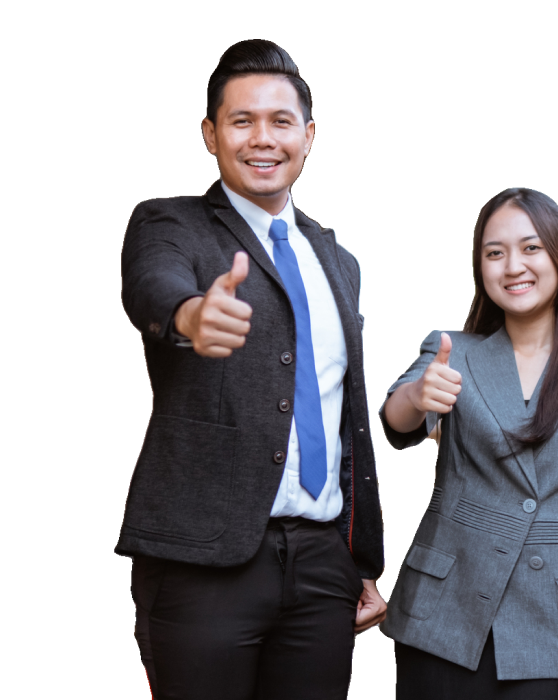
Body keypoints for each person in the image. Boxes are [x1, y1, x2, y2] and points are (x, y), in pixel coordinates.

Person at [118, 39, 387, 699]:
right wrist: (190, 315)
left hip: (323, 564)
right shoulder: (169, 222)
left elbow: (342, 415)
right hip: (203, 559)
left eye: (280, 121)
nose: (262, 138)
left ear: (308, 136)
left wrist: (359, 559)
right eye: (242, 121)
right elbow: (154, 285)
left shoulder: (339, 260)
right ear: (211, 134)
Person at [378, 187, 558, 698]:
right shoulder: (452, 351)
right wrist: (417, 394)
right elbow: (398, 419)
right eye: (494, 253)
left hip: (557, 626)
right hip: (442, 613)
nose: (513, 266)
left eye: (531, 248)